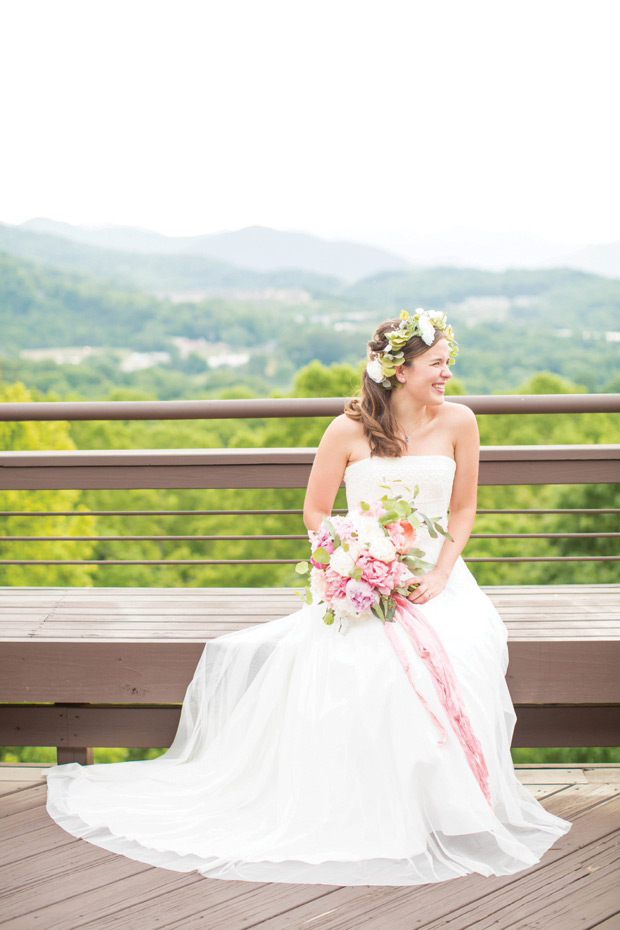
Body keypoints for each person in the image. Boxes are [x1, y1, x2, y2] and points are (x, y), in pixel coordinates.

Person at [46, 309, 572, 886]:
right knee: (360, 664)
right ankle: (367, 810)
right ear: (399, 368)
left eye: (449, 363)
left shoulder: (460, 422)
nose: (448, 374)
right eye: (438, 364)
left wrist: (442, 574)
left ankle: (441, 811)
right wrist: (358, 560)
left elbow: (463, 509)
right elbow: (316, 512)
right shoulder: (346, 430)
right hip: (364, 580)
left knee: (463, 652)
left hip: (435, 575)